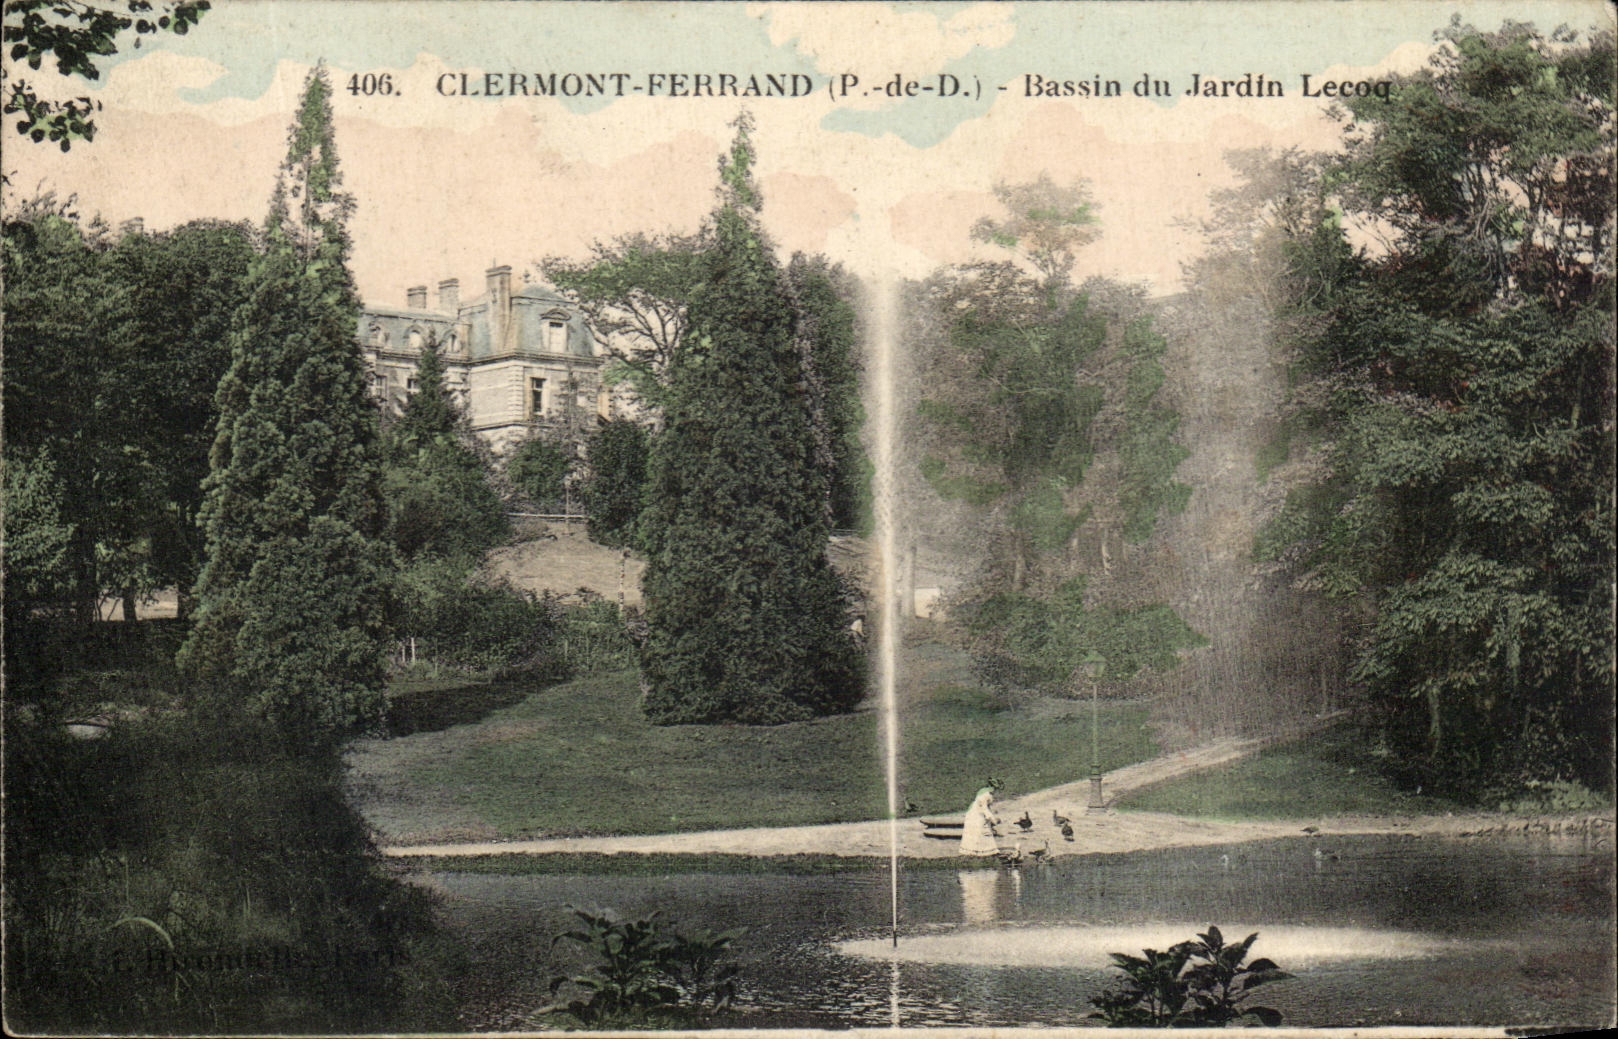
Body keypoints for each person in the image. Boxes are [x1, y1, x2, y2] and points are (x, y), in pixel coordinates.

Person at [960, 786, 1001, 856]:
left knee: (983, 832)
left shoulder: (987, 793)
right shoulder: (985, 796)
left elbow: (988, 808)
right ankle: (981, 851)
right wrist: (994, 820)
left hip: (979, 815)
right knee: (980, 832)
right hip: (975, 816)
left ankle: (982, 851)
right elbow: (985, 809)